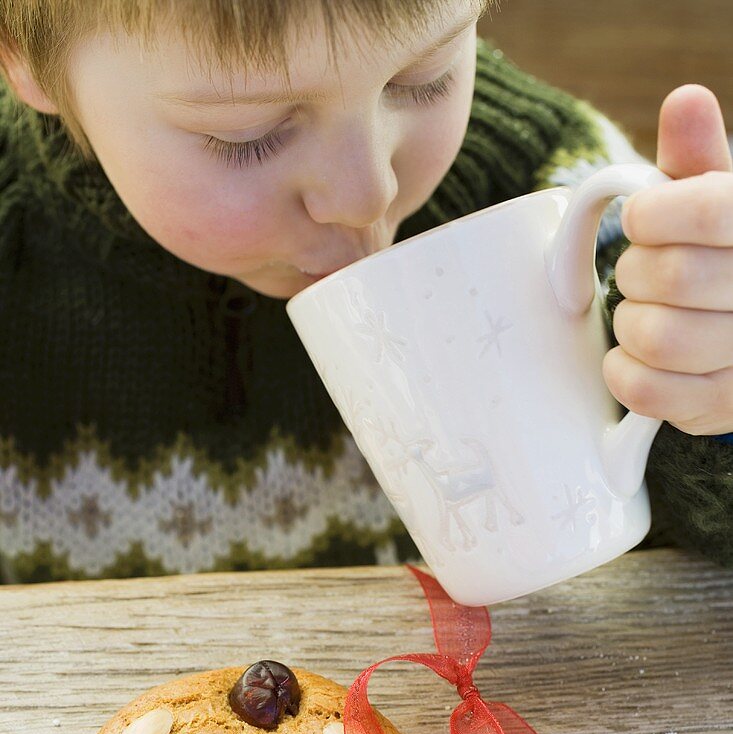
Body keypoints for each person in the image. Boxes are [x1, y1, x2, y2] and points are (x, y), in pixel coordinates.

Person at [0, 0, 730, 585]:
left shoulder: (561, 195)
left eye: (424, 78)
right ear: (22, 55)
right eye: (245, 135)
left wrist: (708, 398)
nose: (366, 193)